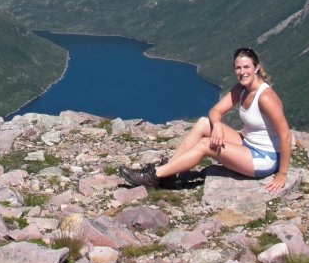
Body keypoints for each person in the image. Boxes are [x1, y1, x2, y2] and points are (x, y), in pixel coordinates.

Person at [119, 47, 292, 195]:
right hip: (247, 143)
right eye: (238, 68)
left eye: (246, 67)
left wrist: (282, 174)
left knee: (205, 144)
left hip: (263, 157)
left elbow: (285, 135)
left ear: (256, 68)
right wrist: (216, 125)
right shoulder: (242, 89)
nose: (242, 72)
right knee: (203, 123)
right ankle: (170, 174)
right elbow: (215, 111)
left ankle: (154, 176)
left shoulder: (266, 97)